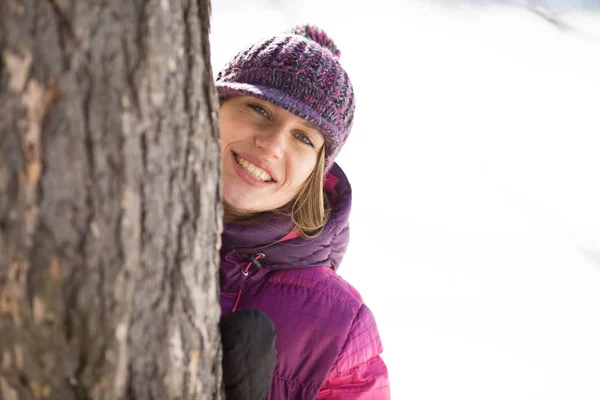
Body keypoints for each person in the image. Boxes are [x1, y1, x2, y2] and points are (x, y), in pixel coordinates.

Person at [216, 24, 390, 399]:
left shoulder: (340, 326)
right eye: (258, 108)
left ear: (317, 170)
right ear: (213, 108)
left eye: (303, 137)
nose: (272, 144)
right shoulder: (112, 218)